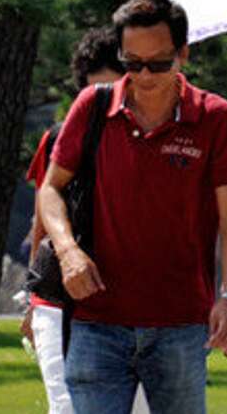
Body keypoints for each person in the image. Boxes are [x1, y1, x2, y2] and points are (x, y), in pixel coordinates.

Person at [37, 0, 227, 414]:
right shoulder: (93, 106)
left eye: (159, 63)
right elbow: (49, 188)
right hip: (96, 320)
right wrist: (67, 250)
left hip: (180, 324)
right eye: (132, 64)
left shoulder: (216, 117)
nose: (145, 75)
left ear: (183, 54)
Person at [23, 27, 142, 414]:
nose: (101, 105)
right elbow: (43, 215)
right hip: (61, 296)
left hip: (136, 302)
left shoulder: (156, 139)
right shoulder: (59, 138)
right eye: (92, 95)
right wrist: (30, 298)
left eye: (111, 91)